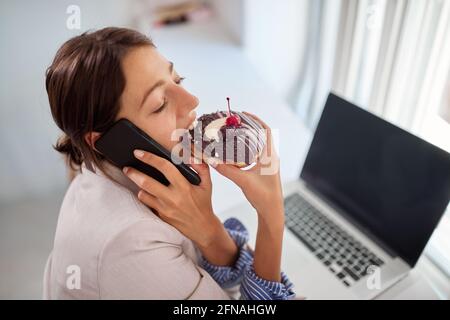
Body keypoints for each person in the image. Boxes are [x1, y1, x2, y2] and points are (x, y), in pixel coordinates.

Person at [43, 27, 295, 300]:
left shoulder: (101, 169)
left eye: (177, 79)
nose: (192, 101)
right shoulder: (132, 243)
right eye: (160, 104)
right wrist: (272, 215)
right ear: (110, 141)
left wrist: (209, 230)